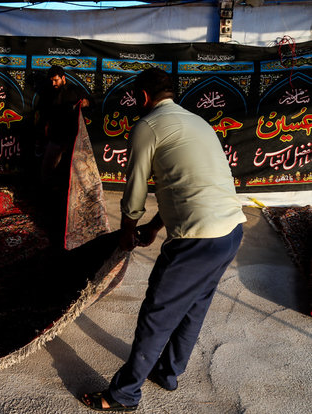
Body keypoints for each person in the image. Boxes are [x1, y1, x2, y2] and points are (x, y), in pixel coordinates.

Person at [81, 68, 246, 411]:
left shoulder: (147, 126)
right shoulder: (198, 122)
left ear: (142, 97)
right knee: (194, 306)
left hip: (197, 241)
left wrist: (128, 230)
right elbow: (184, 183)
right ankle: (168, 373)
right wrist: (156, 227)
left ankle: (123, 395)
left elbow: (136, 187)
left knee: (157, 315)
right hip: (230, 231)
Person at [38, 65, 90, 189]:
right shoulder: (48, 93)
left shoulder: (74, 90)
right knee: (48, 168)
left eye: (56, 80)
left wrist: (85, 103)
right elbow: (44, 113)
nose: (54, 84)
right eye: (52, 81)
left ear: (63, 78)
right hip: (55, 137)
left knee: (73, 170)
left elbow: (90, 102)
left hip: (72, 138)